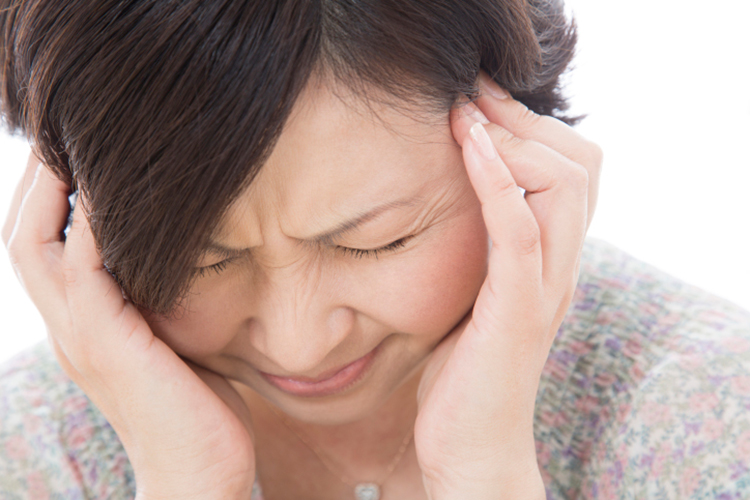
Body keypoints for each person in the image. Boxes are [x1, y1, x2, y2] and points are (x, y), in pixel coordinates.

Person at [1, 1, 749, 499]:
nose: (299, 344)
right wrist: (184, 481)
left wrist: (484, 477)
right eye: (205, 261)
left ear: (520, 143)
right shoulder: (31, 457)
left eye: (373, 242)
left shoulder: (707, 419)